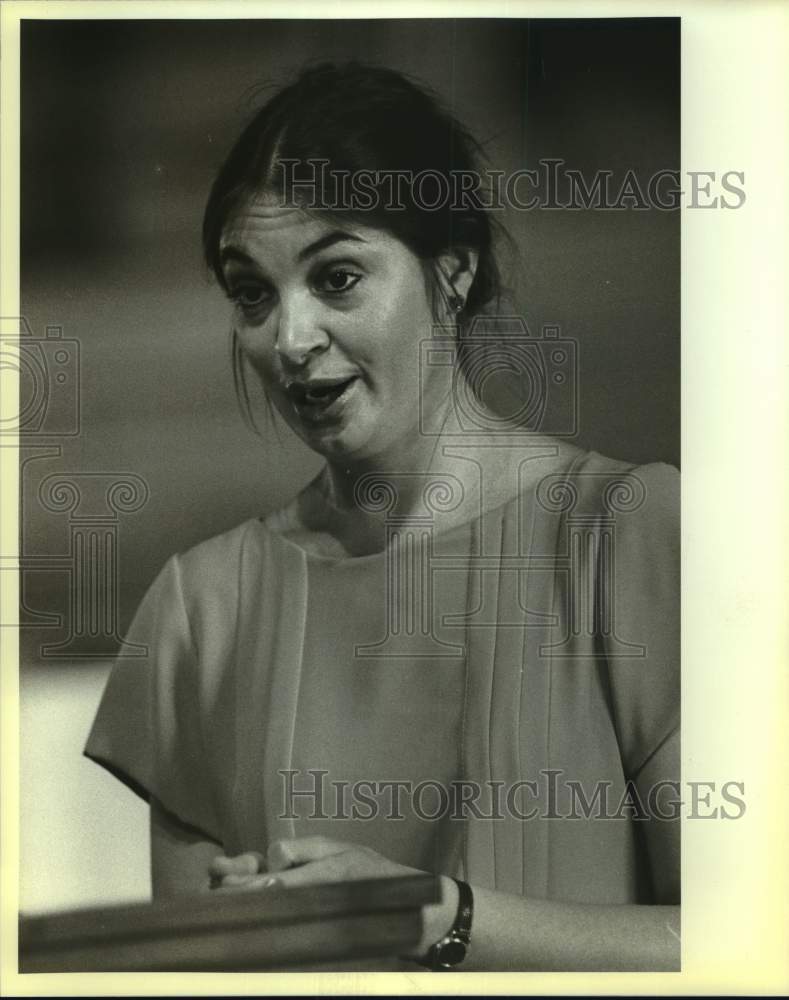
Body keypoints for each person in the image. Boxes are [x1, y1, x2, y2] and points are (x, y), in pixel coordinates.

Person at [85, 62, 680, 971]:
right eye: (252, 294)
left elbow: (747, 947)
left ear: (453, 270)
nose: (289, 338)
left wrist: (436, 918)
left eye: (337, 278)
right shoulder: (201, 609)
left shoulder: (626, 534)